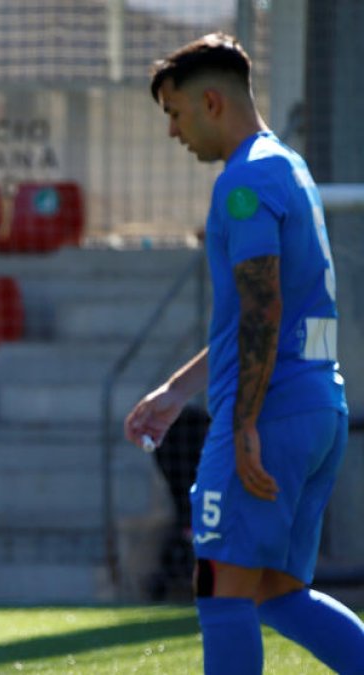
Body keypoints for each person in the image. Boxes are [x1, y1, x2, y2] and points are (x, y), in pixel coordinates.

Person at [123, 33, 364, 674]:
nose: (174, 132)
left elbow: (263, 309)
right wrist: (178, 390)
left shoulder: (245, 181)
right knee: (279, 596)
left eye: (174, 114)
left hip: (270, 417)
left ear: (210, 101)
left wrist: (245, 422)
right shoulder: (285, 165)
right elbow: (255, 317)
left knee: (220, 592)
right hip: (316, 407)